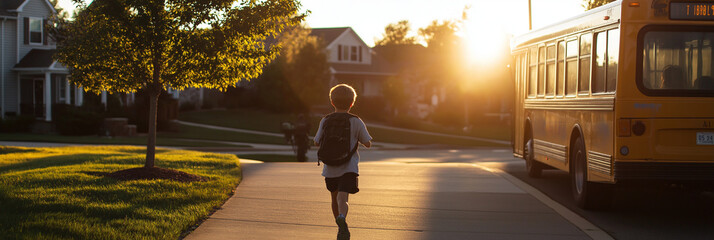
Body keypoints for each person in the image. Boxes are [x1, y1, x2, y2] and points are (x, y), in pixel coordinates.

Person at [314, 84, 372, 240]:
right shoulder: (356, 121)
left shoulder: (325, 120)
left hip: (330, 167)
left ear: (332, 102)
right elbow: (367, 143)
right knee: (343, 197)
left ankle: (340, 227)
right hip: (349, 167)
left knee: (334, 198)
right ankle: (342, 216)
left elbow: (316, 142)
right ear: (352, 103)